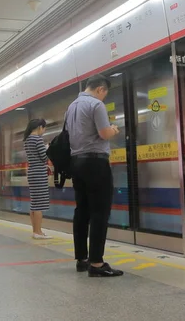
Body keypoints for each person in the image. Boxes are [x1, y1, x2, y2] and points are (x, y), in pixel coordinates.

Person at [65, 74, 123, 277]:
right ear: (101, 89)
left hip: (76, 162)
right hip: (95, 162)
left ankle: (82, 259)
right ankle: (97, 263)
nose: (104, 97)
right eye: (104, 94)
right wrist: (114, 129)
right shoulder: (96, 105)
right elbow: (104, 133)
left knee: (82, 211)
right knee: (100, 211)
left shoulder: (71, 106)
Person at [24, 118, 53, 240]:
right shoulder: (37, 139)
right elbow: (43, 157)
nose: (43, 131)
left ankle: (35, 230)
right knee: (39, 204)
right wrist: (47, 148)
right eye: (44, 128)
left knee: (34, 203)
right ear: (40, 127)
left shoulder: (27, 140)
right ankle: (38, 231)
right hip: (39, 173)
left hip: (32, 172)